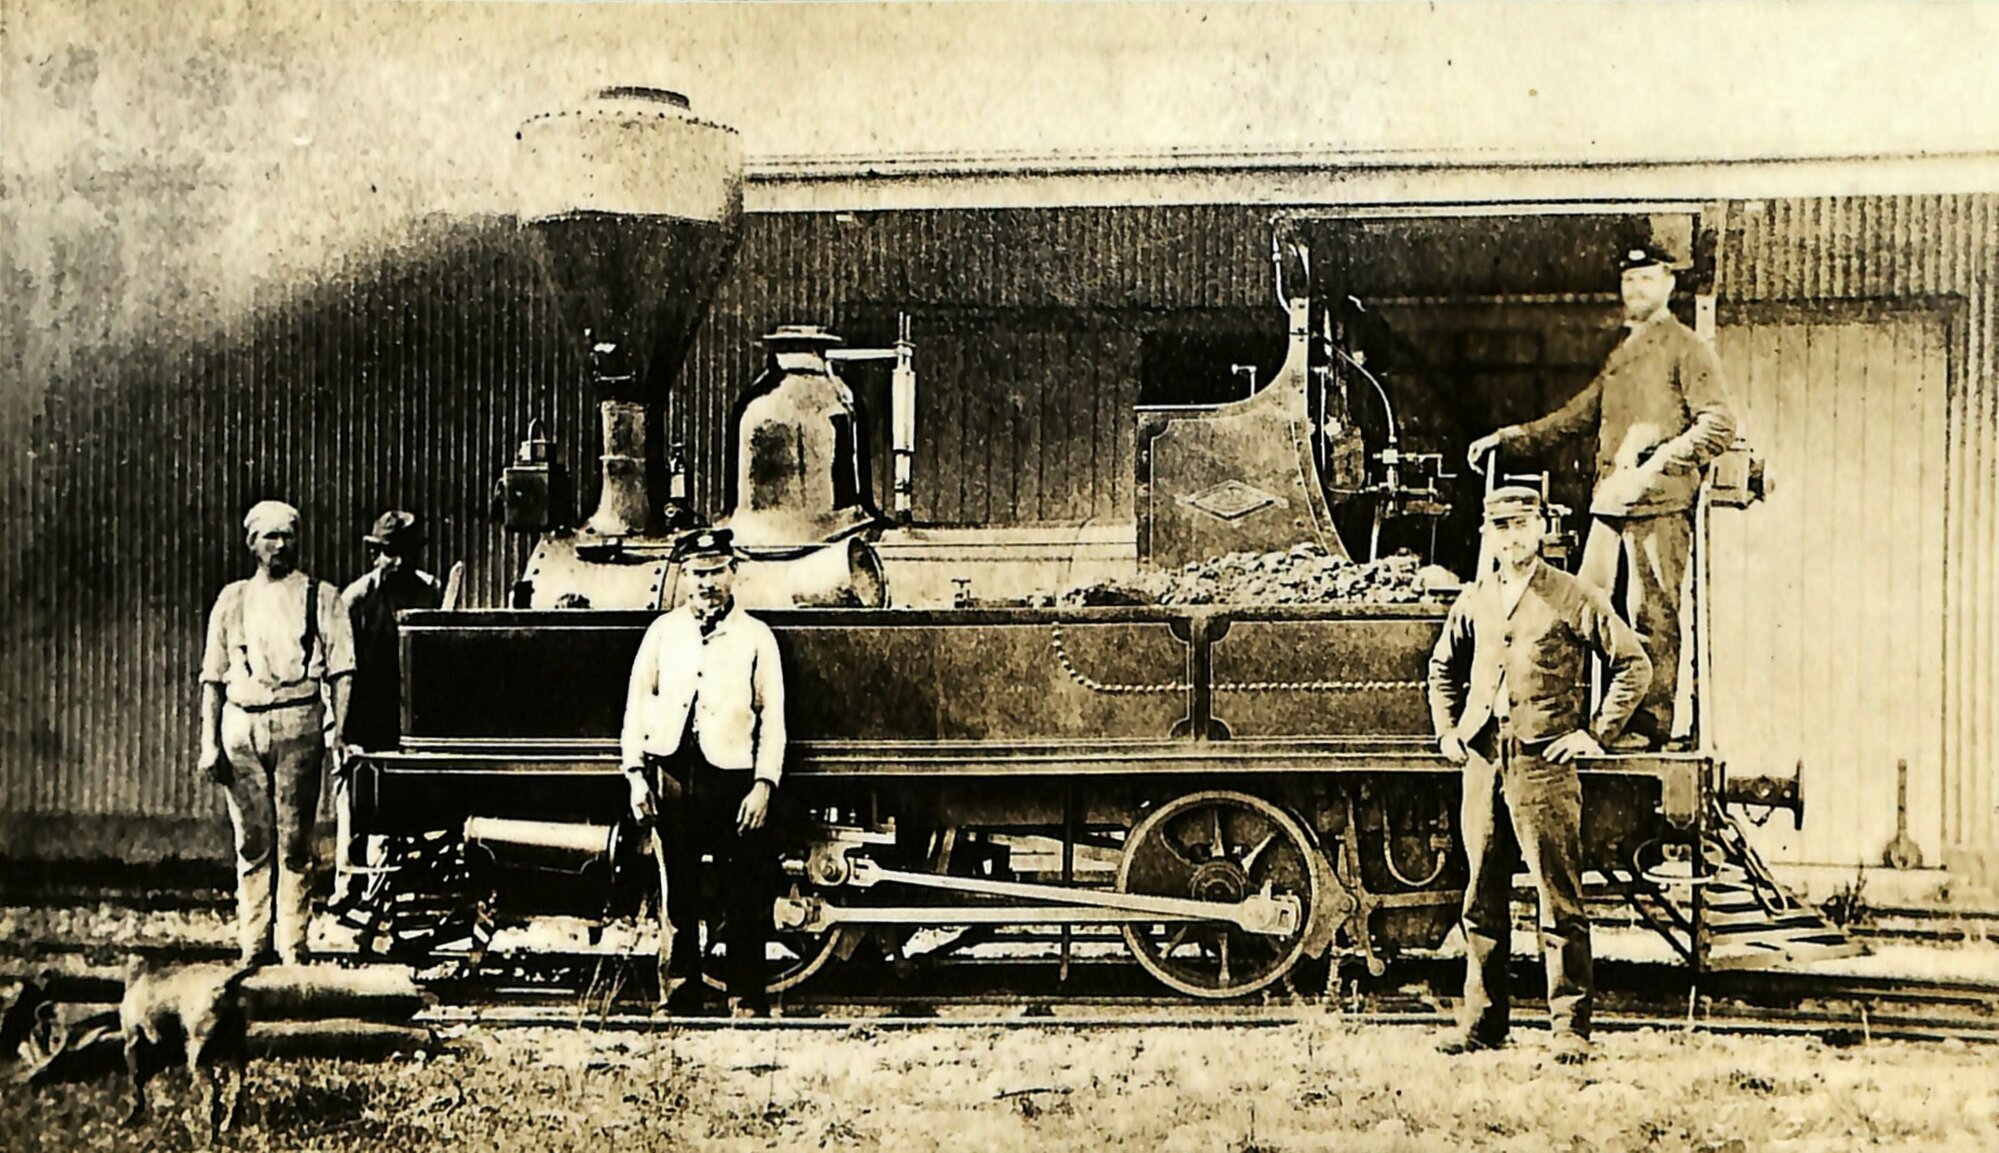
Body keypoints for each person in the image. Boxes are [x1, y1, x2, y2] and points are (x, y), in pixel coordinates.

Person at [1466, 243, 1735, 748]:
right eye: (1629, 280)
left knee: (1650, 618)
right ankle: (1583, 723)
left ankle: (1648, 727)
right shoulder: (1624, 354)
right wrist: (1512, 437)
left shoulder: (1687, 347)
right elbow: (1578, 415)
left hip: (1657, 506)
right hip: (1609, 505)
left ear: (1669, 285)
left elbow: (1718, 424)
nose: (1636, 289)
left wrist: (1658, 463)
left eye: (1647, 279)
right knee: (1580, 615)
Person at [1426, 486, 1651, 1062]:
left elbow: (1633, 663)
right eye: (1501, 527)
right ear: (1489, 536)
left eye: (1523, 524)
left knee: (1559, 900)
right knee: (1481, 897)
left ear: (1542, 527)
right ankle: (1482, 1022)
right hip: (1483, 761)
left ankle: (1569, 1029)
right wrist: (1449, 731)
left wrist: (1594, 733)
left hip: (1544, 765)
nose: (1512, 535)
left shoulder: (1573, 595)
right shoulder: (1476, 598)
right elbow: (1442, 668)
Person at [620, 528, 787, 1017]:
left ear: (733, 572)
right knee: (678, 890)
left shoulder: (756, 637)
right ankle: (678, 994)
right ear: (684, 577)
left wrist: (763, 785)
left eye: (715, 571)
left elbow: (772, 717)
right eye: (697, 573)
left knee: (744, 890)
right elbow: (636, 706)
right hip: (672, 773)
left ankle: (745, 997)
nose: (706, 582)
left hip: (733, 777)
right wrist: (635, 773)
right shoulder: (662, 633)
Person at [198, 500, 355, 966]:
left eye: (287, 536)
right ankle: (253, 945)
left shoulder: (321, 597)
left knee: (294, 842)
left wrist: (338, 731)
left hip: (298, 723)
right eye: (270, 537)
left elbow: (343, 669)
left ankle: (293, 946)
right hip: (241, 725)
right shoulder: (232, 600)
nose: (280, 545)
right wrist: (208, 742)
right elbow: (212, 675)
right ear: (252, 544)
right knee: (251, 841)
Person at [340, 510, 443, 751]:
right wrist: (342, 734)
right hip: (368, 718)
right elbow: (337, 669)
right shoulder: (357, 600)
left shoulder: (430, 593)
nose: (400, 562)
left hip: (415, 719)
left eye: (407, 553)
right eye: (392, 553)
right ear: (375, 555)